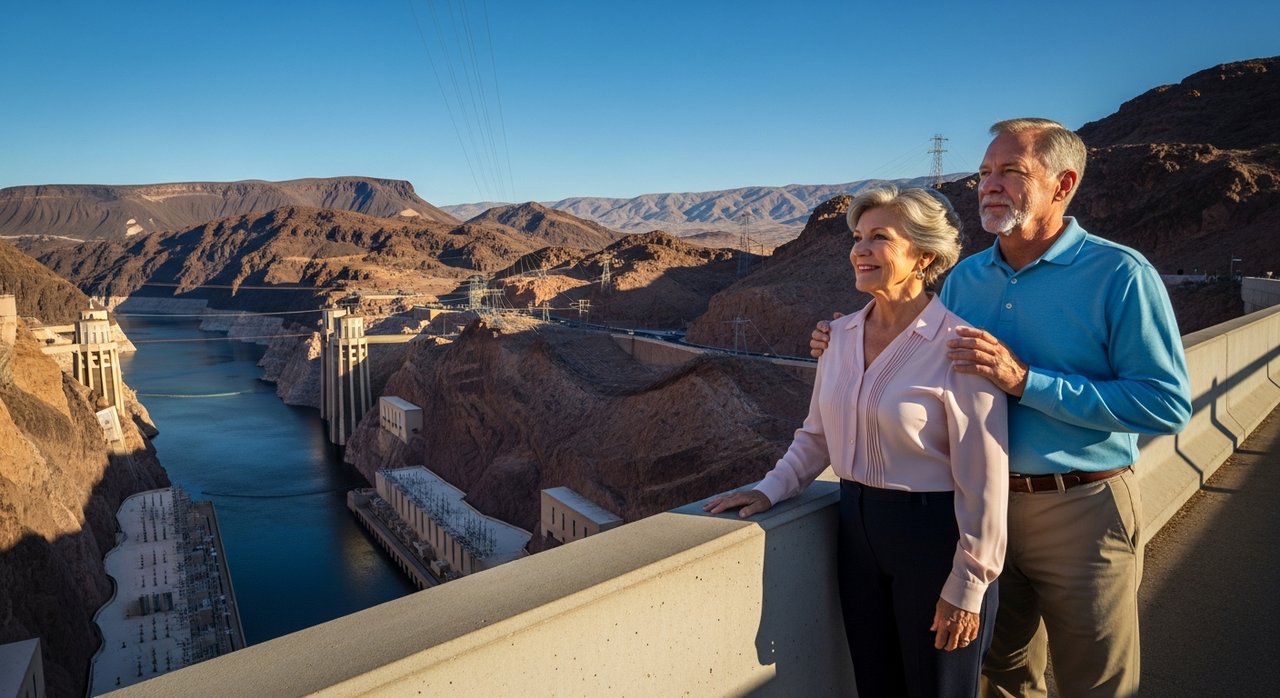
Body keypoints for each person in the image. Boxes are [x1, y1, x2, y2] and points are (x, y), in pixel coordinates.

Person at [809, 118, 1192, 697]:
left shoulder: (1118, 274)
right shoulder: (966, 278)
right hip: (975, 515)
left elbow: (1163, 404)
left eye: (1011, 171)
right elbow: (915, 344)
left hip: (1079, 506)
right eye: (986, 172)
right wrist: (841, 342)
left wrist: (1027, 381)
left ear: (1062, 185)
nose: (989, 184)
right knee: (1002, 676)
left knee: (1096, 681)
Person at [706, 184, 1009, 697]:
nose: (860, 250)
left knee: (940, 690)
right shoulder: (839, 336)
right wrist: (771, 488)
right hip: (854, 532)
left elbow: (985, 482)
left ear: (924, 256)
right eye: (858, 237)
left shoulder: (960, 347)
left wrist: (969, 583)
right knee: (875, 686)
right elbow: (816, 435)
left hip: (934, 540)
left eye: (880, 238)